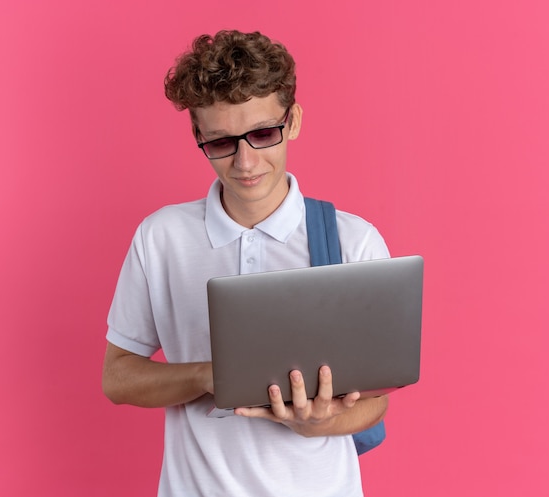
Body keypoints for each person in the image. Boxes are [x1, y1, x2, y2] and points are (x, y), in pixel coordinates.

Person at [103, 30, 390, 497]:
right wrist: (206, 375)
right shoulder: (161, 237)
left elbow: (376, 402)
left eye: (262, 134)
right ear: (197, 134)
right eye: (220, 142)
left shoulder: (351, 240)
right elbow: (117, 376)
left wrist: (314, 424)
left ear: (292, 120)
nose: (245, 162)